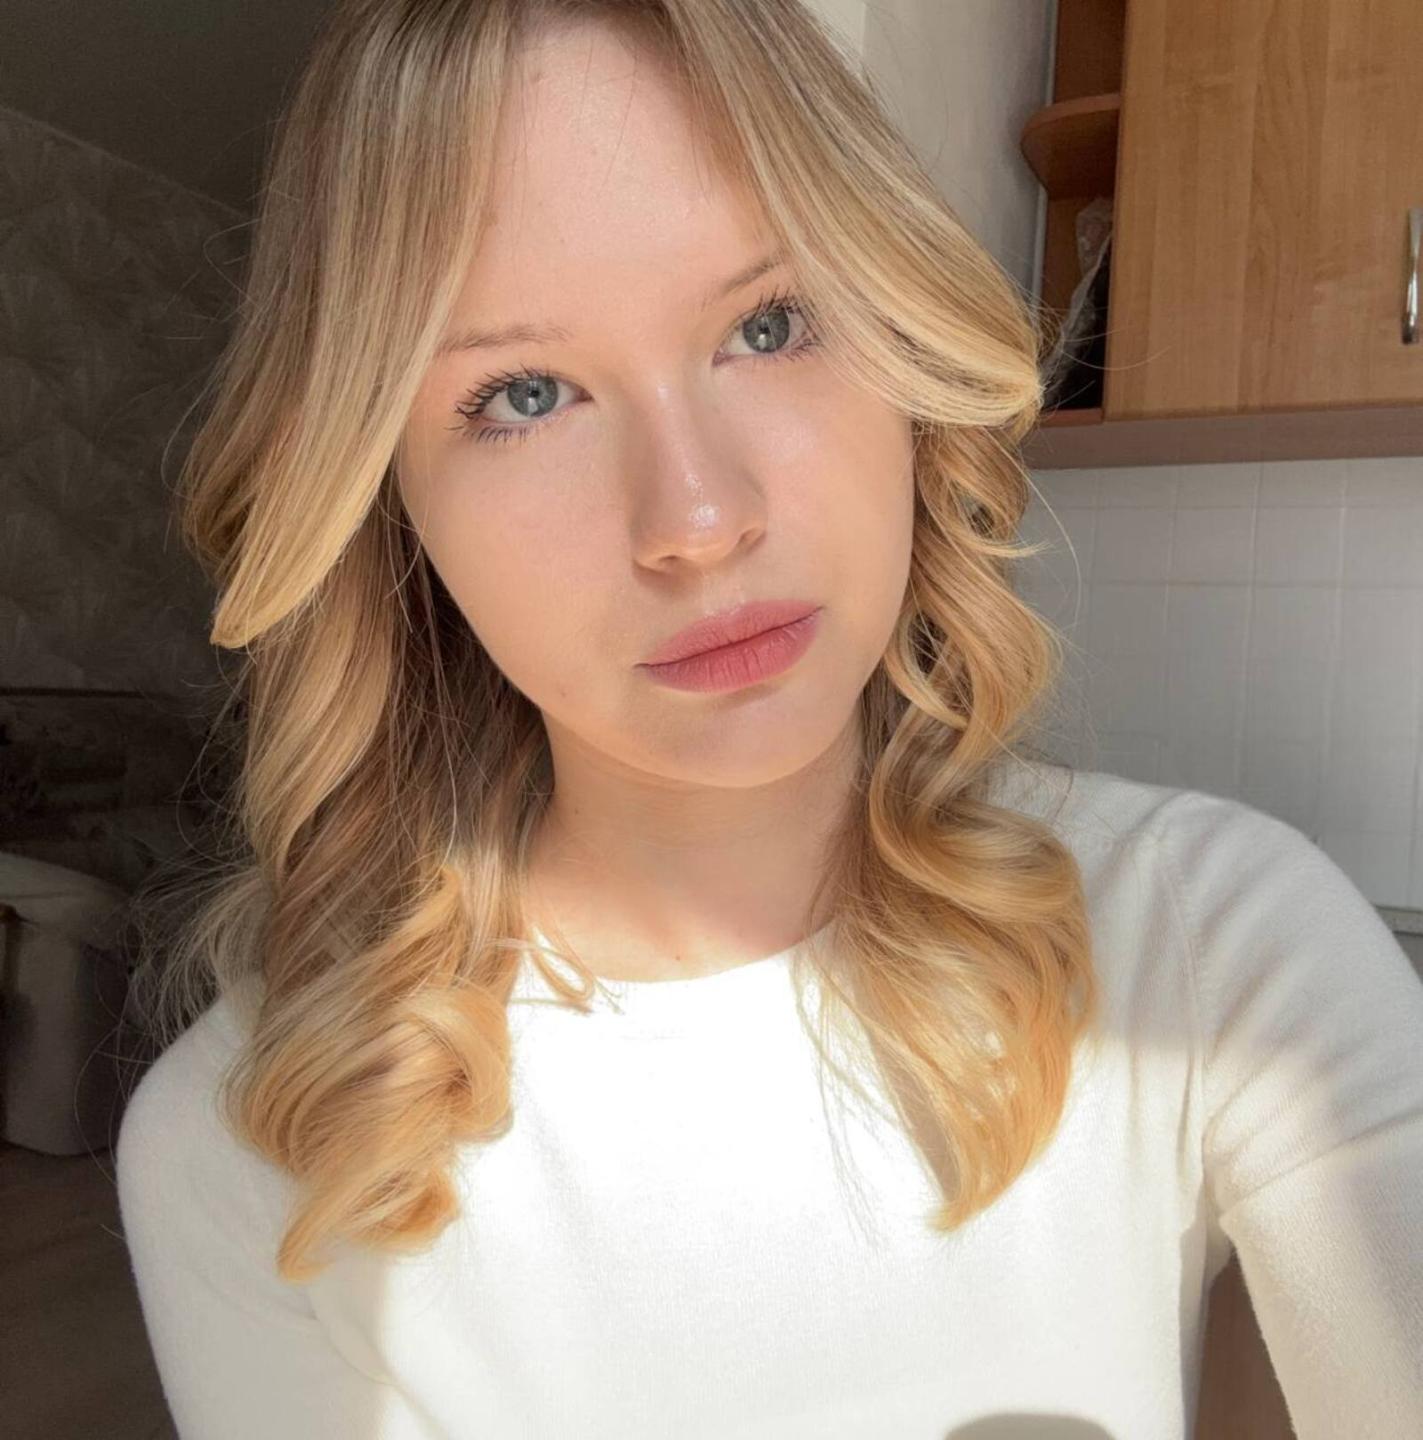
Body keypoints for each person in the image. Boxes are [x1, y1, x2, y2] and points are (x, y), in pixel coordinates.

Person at [113, 2, 1423, 1437]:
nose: (696, 517)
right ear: (386, 504)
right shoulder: (244, 1148)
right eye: (524, 395)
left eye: (769, 323)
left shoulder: (1218, 944)